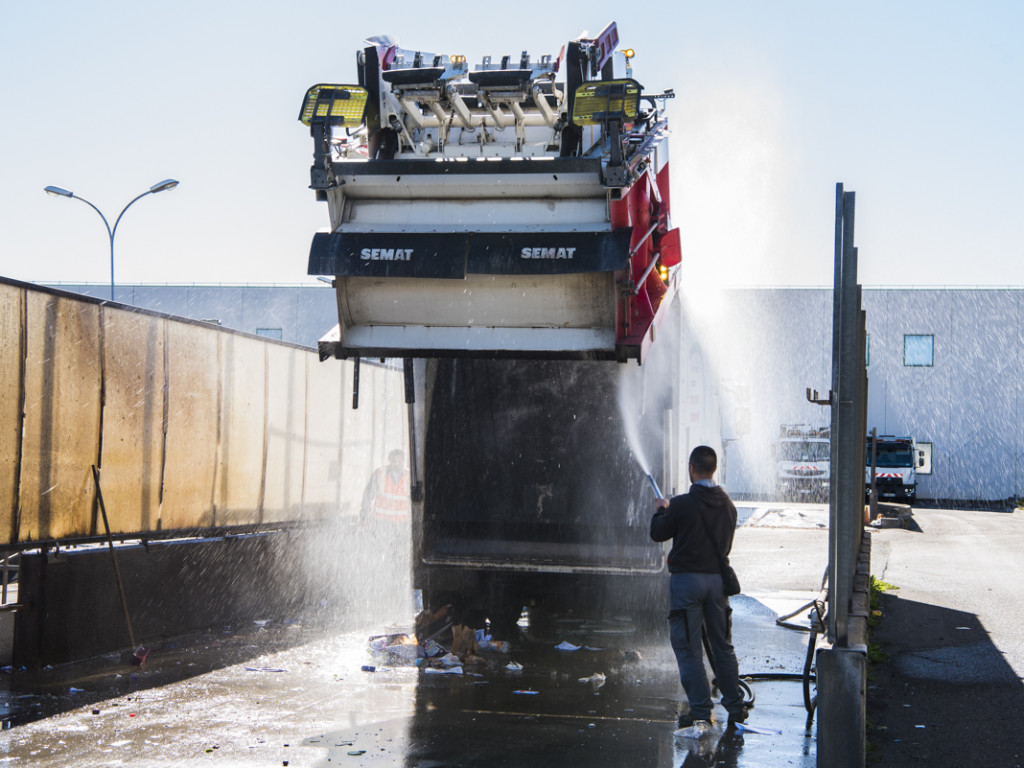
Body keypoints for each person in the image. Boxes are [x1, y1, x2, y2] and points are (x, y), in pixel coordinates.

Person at [650, 445, 747, 729]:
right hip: (717, 584)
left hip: (687, 583)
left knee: (689, 648)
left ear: (692, 469)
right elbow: (725, 546)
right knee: (722, 647)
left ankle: (701, 711)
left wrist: (660, 511)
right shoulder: (729, 506)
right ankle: (736, 707)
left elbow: (658, 534)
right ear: (713, 469)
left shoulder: (681, 504)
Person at [361, 449, 411, 525]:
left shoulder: (409, 476)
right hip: (381, 522)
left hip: (402, 524)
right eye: (394, 461)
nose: (397, 464)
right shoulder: (380, 473)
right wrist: (364, 516)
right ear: (389, 460)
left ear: (403, 461)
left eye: (399, 461)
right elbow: (368, 496)